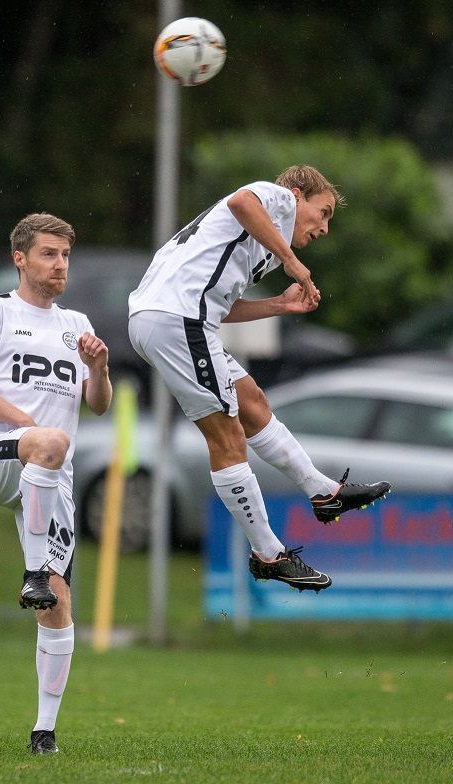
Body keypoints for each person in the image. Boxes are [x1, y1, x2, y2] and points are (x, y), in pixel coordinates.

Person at [128, 165, 390, 592]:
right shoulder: (274, 198)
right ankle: (268, 553)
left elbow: (221, 305)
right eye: (322, 213)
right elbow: (241, 200)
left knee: (253, 405)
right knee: (227, 437)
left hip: (181, 320)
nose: (323, 228)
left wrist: (279, 306)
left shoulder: (258, 243)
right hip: (176, 321)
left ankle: (324, 492)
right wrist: (292, 262)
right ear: (296, 194)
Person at [0, 213, 112, 756]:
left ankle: (44, 732)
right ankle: (32, 572)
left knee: (58, 609)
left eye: (65, 255)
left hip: (50, 476)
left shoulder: (77, 324)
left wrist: (100, 370)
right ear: (20, 258)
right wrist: (23, 423)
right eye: (48, 254)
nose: (59, 264)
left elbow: (98, 405)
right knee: (49, 443)